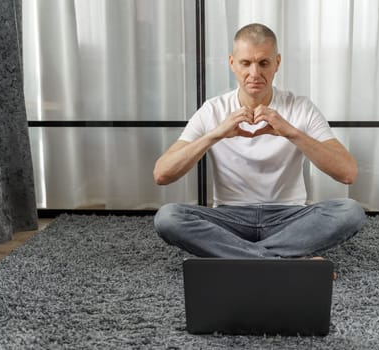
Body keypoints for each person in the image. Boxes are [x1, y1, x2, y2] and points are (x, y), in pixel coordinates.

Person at [153, 23, 365, 259]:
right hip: (231, 218)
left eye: (264, 63)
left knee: (351, 211)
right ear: (232, 63)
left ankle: (238, 255)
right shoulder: (212, 110)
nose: (254, 74)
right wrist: (215, 134)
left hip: (289, 218)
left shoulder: (300, 107)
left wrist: (290, 132)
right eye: (246, 63)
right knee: (168, 217)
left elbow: (348, 173)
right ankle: (282, 259)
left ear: (277, 63)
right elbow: (162, 174)